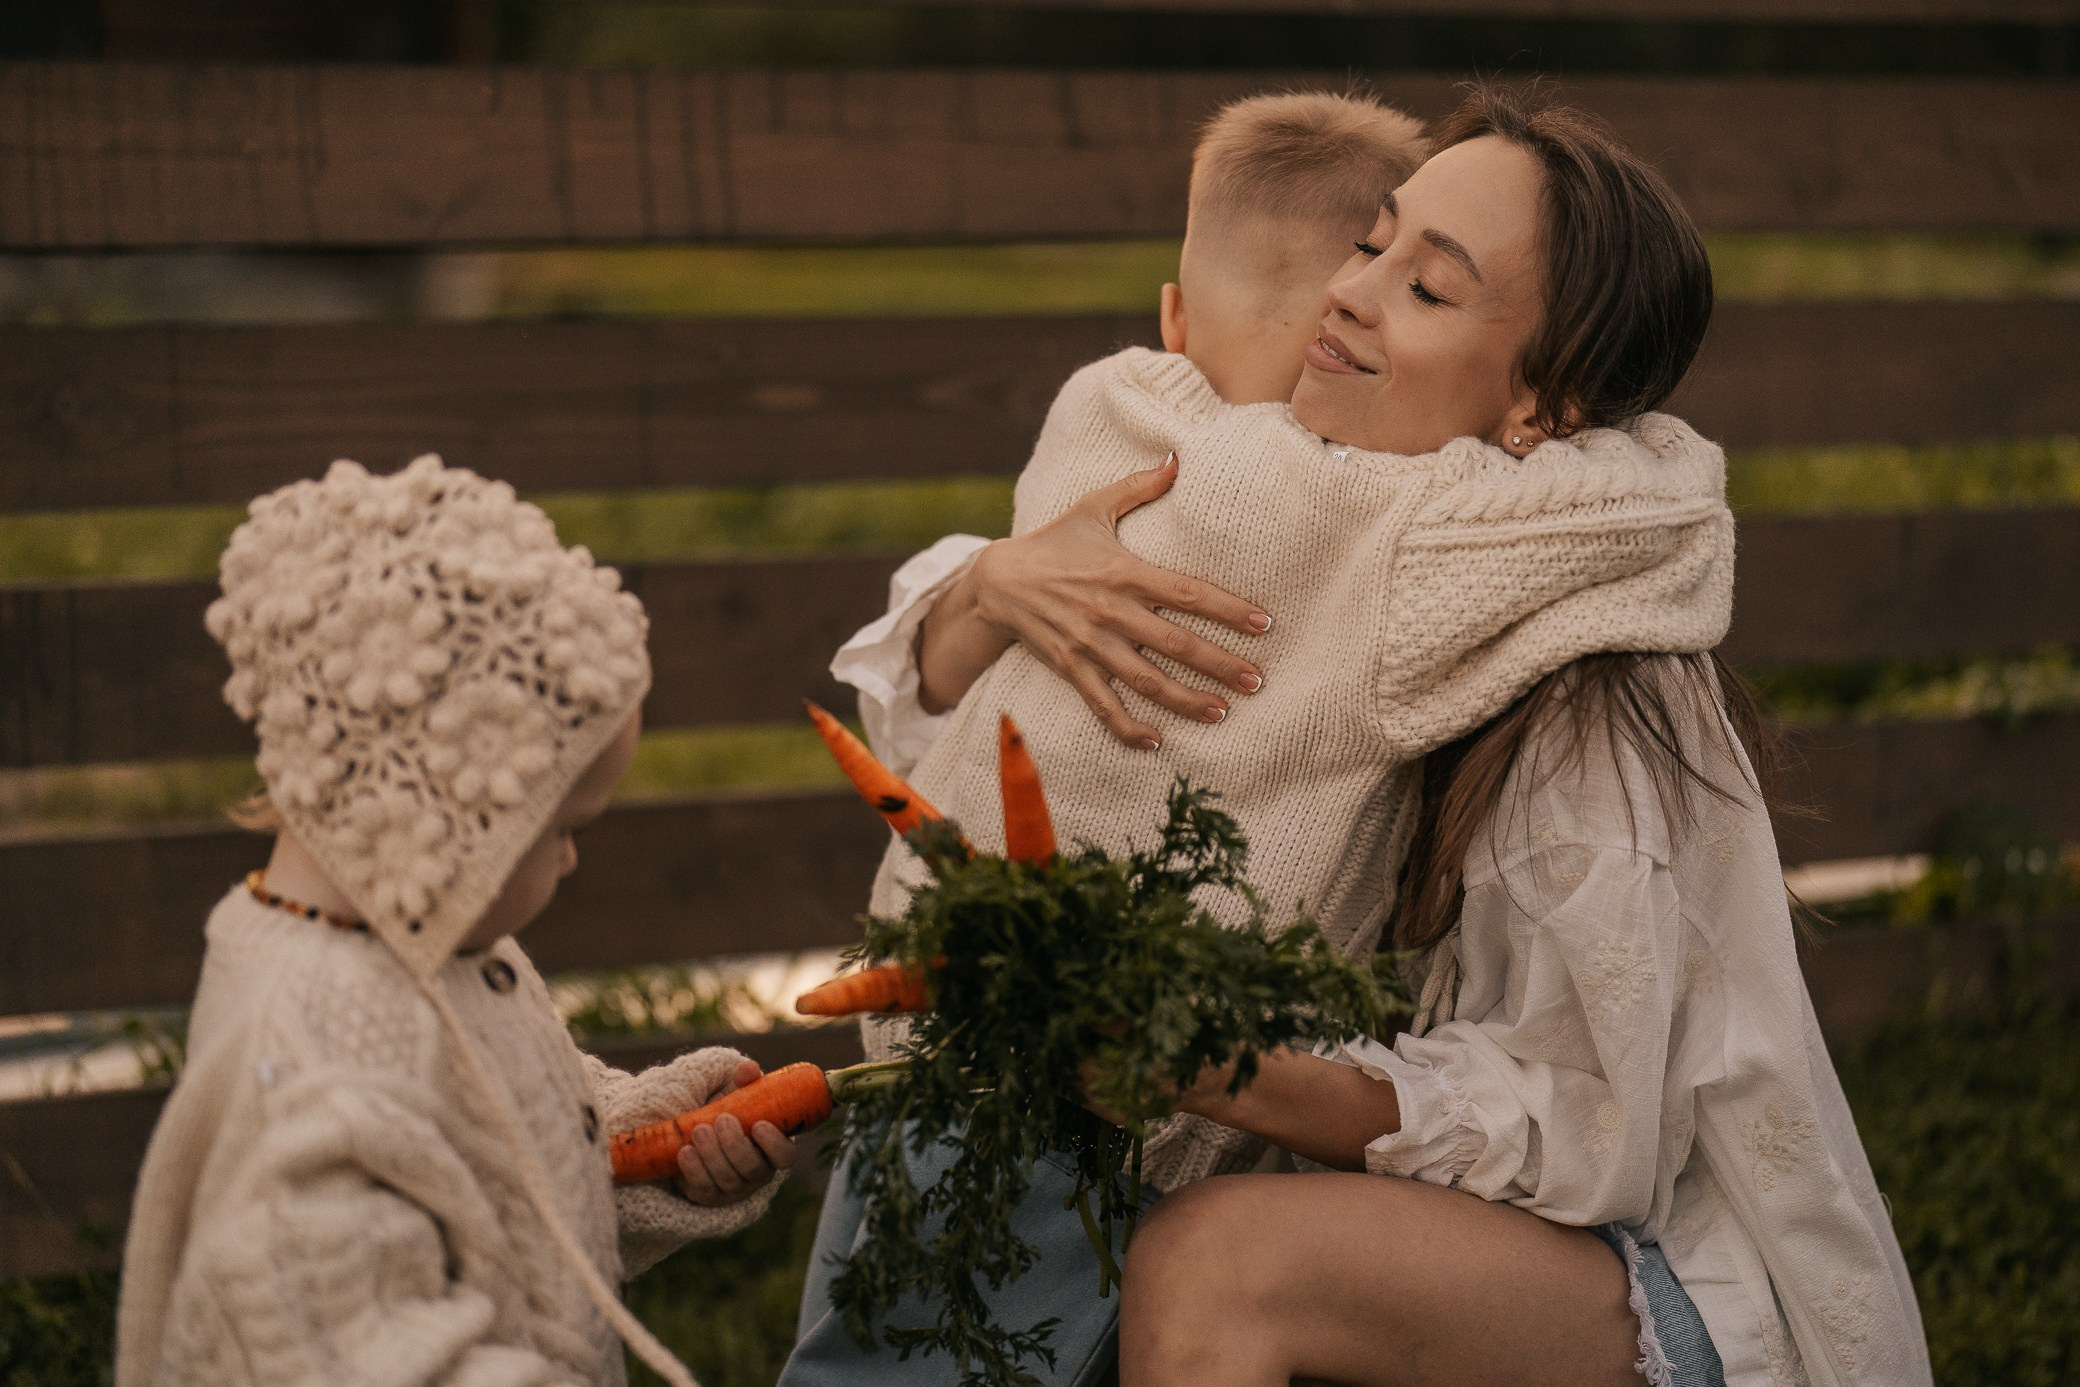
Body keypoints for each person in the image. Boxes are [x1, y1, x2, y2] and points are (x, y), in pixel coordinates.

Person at [825, 88, 1929, 1387]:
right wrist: (992, 583)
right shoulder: (1312, 520)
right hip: (1394, 1203)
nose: (1351, 294)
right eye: (1373, 245)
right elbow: (1003, 715)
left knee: (1211, 1262)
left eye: (1431, 288)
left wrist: (1199, 1056)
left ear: (1545, 403)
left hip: (1641, 1264)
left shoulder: (1579, 676)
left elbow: (1589, 1130)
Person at [781, 89, 1428, 1387]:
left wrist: (988, 582)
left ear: (1176, 317)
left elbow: (936, 662)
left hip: (954, 1030)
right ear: (1354, 334)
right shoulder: (1391, 508)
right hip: (1162, 1070)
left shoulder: (1110, 423)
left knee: (897, 1331)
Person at [116, 455, 795, 1387]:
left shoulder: (437, 945)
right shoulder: (305, 1068)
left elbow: (496, 1151)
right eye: (557, 825)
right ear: (441, 807)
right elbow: (353, 1352)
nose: (570, 857)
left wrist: (644, 1140)